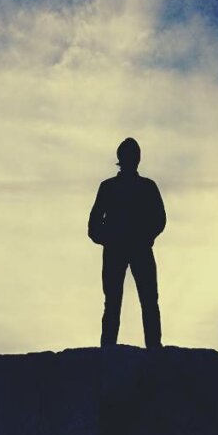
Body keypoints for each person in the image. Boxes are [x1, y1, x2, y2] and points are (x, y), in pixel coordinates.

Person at [88, 138, 166, 348]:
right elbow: (93, 226)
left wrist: (145, 237)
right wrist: (110, 239)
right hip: (117, 250)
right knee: (114, 302)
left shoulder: (147, 187)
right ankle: (109, 348)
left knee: (148, 300)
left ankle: (153, 348)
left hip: (139, 248)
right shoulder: (109, 187)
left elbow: (159, 219)